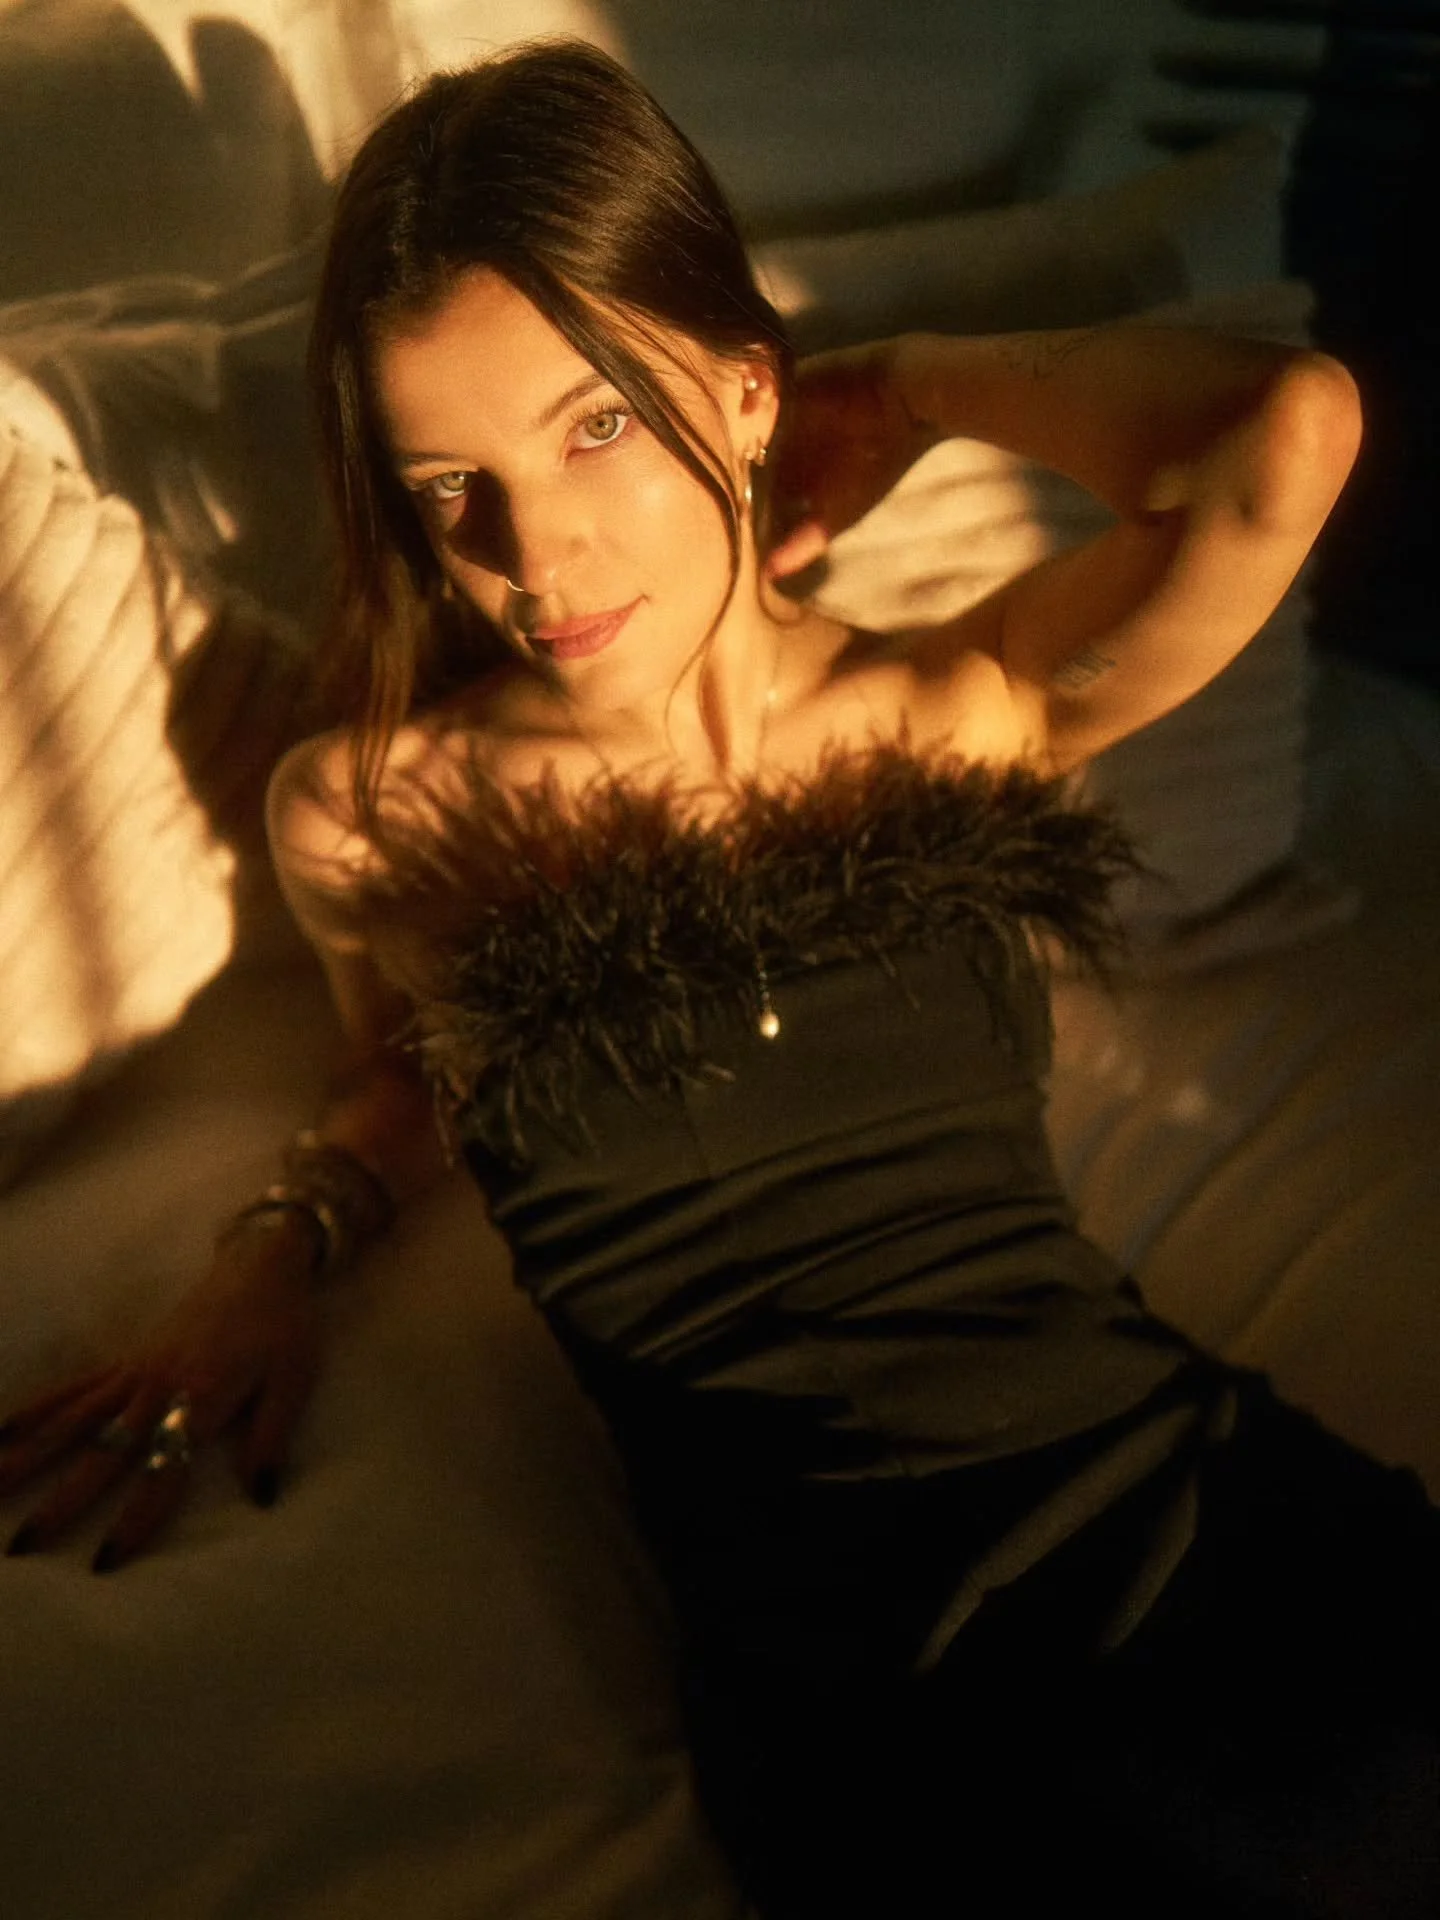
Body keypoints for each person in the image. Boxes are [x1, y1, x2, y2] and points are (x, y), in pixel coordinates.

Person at [3, 36, 1436, 1918]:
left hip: (1189, 1507)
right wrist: (270, 1255)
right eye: (452, 483)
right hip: (870, 1691)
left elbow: (1288, 433)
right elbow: (417, 1071)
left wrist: (900, 389)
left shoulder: (949, 711)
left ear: (746, 391)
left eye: (598, 425)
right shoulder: (381, 818)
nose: (536, 553)